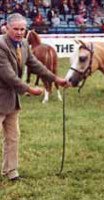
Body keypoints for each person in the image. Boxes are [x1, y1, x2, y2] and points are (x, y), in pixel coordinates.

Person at [0, 13, 68, 181]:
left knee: (13, 137)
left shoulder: (23, 44)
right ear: (6, 28)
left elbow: (36, 65)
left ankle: (11, 172)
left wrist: (55, 78)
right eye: (15, 29)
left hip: (11, 100)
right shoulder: (0, 46)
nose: (19, 32)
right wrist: (29, 89)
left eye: (22, 29)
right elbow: (8, 75)